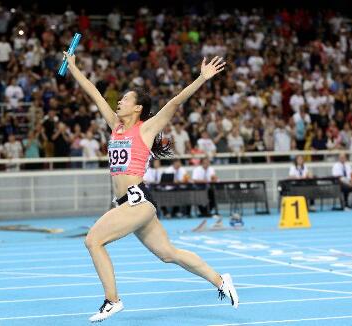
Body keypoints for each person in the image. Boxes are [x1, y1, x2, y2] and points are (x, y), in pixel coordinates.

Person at [64, 52, 238, 322]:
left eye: (125, 99)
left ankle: (112, 300)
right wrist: (73, 68)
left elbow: (175, 102)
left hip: (137, 202)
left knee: (93, 240)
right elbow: (94, 94)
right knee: (169, 254)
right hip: (127, 204)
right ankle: (220, 280)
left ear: (137, 108)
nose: (119, 101)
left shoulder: (146, 128)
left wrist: (202, 79)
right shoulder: (115, 125)